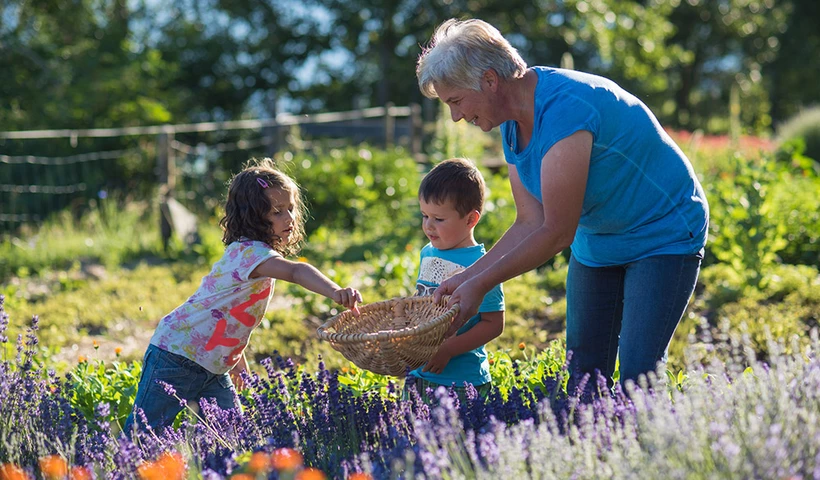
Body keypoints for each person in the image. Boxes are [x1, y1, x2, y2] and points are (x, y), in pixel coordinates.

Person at [417, 19, 709, 389]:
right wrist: (467, 278)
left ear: (490, 80)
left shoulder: (564, 109)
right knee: (584, 368)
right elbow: (529, 221)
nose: (456, 116)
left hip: (662, 233)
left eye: (456, 101)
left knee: (639, 371)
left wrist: (479, 285)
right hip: (600, 240)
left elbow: (556, 232)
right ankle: (598, 446)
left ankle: (653, 444)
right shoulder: (510, 122)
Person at [123, 158, 362, 434]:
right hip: (176, 357)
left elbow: (234, 319)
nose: (289, 218)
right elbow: (297, 272)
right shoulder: (250, 255)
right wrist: (335, 291)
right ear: (253, 217)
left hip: (213, 368)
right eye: (277, 212)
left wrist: (236, 364)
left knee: (234, 433)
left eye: (291, 209)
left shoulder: (255, 257)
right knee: (143, 434)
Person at [403, 157, 505, 404]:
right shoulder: (428, 251)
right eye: (424, 215)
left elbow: (494, 323)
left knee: (456, 441)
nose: (428, 226)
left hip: (460, 380)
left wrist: (448, 350)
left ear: (471, 220)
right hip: (420, 372)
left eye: (438, 219)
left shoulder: (482, 264)